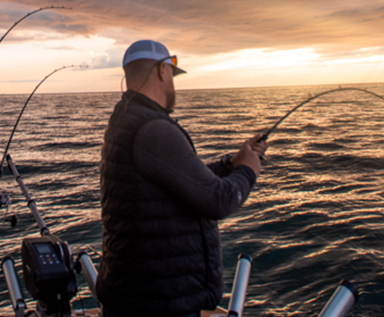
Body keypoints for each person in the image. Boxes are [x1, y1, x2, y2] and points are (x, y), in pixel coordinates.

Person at [97, 39, 268, 317]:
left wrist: (230, 163)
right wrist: (248, 170)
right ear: (163, 72)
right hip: (158, 302)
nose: (173, 85)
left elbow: (181, 180)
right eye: (171, 76)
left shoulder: (126, 120)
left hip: (137, 295)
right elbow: (218, 199)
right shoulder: (154, 130)